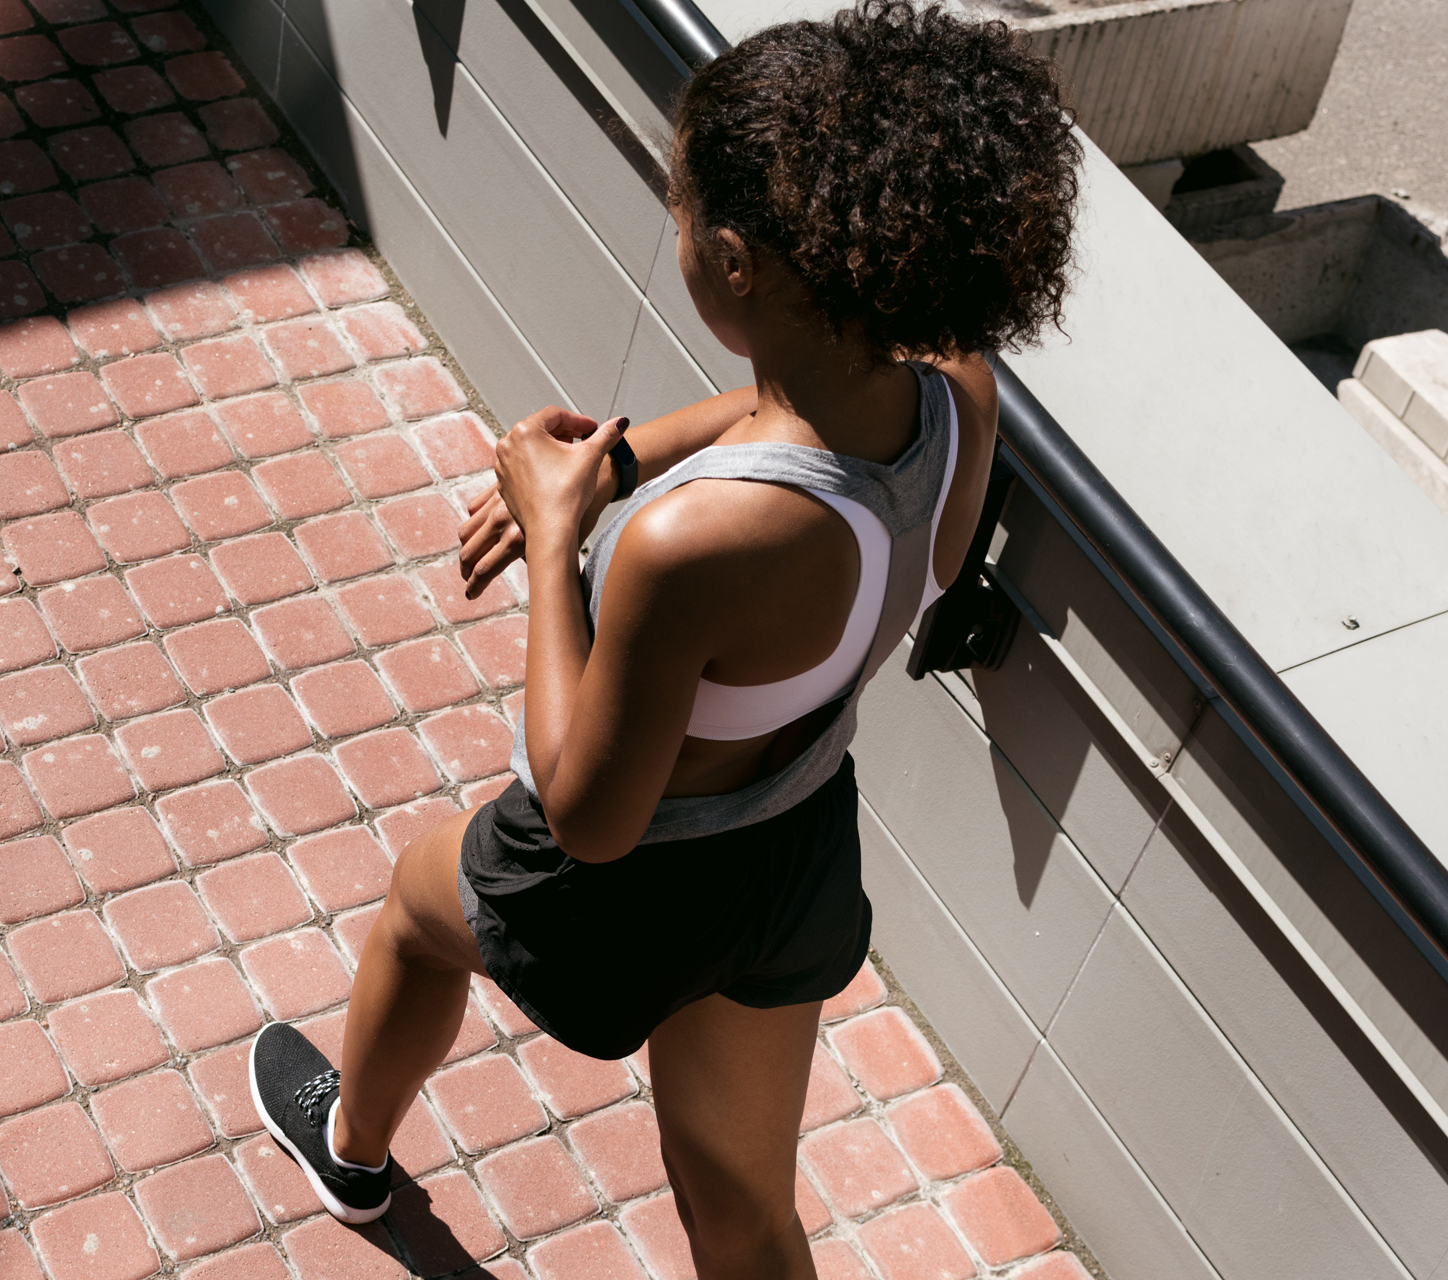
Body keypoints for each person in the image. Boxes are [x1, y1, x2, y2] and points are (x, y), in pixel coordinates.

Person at [248, 2, 1080, 1273]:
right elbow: (785, 404)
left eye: (679, 210)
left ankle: (351, 1151)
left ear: (737, 260)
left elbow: (589, 811)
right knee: (742, 1200)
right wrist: (629, 449)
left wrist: (555, 522)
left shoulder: (692, 548)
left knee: (418, 912)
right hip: (791, 848)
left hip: (631, 885)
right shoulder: (954, 380)